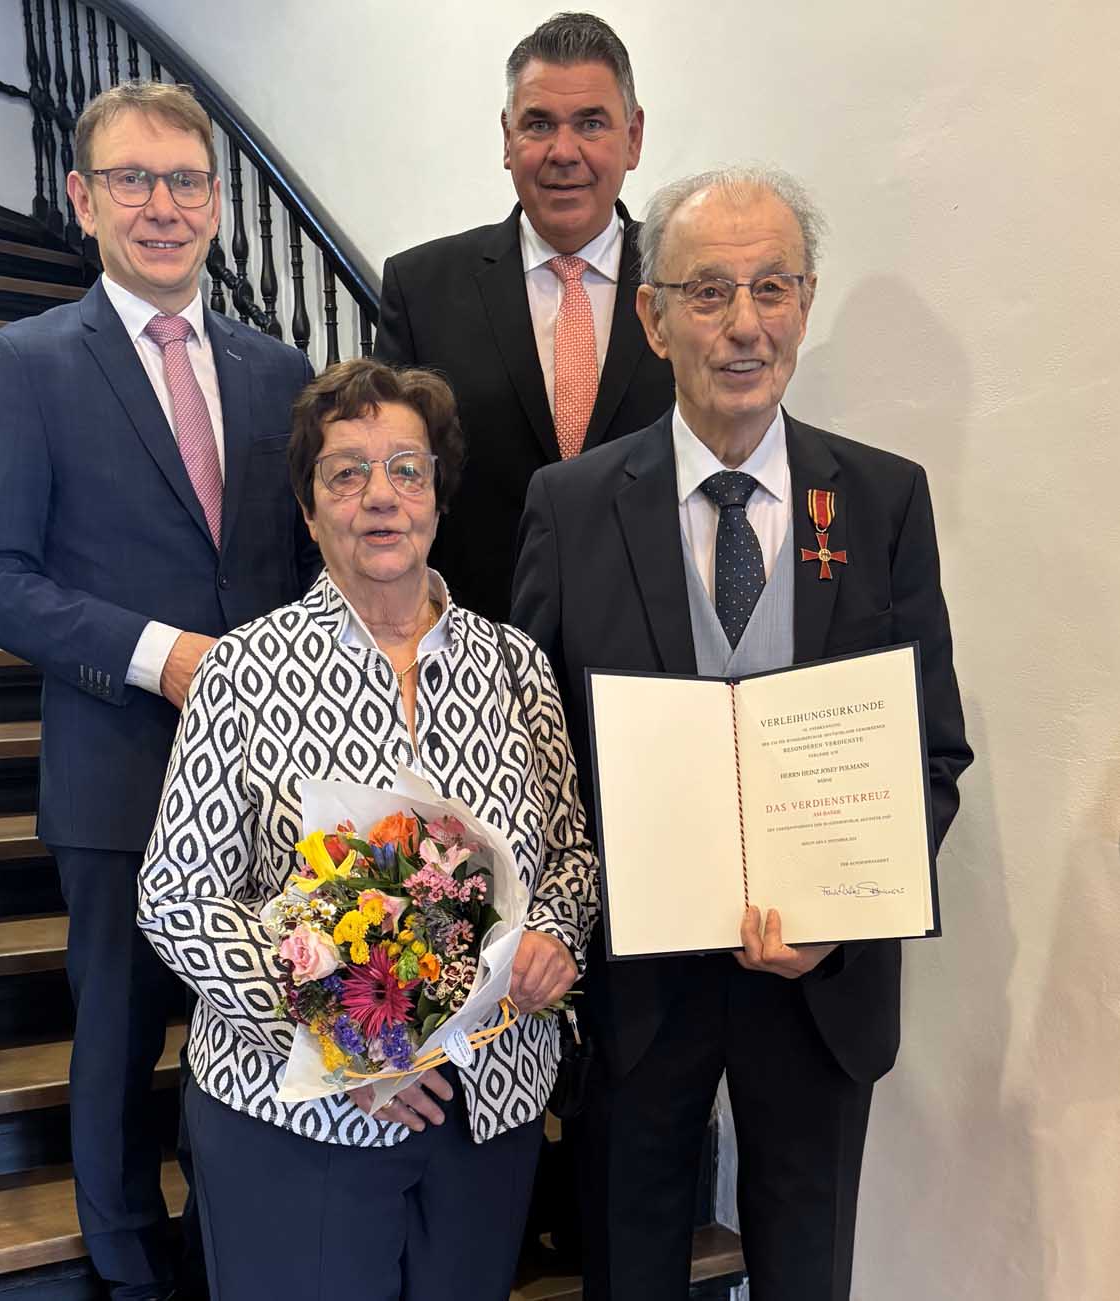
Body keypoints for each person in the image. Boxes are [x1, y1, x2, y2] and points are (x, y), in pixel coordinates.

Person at [511, 167, 973, 1300]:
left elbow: (931, 752)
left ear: (805, 302)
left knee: (806, 1274)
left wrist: (843, 909)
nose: (743, 324)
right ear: (651, 314)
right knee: (627, 1269)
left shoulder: (880, 500)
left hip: (817, 982)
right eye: (707, 291)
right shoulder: (568, 506)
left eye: (772, 286)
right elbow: (530, 753)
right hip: (631, 981)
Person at [0, 81, 317, 1301]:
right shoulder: (32, 360)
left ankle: (235, 1240)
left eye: (184, 182)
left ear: (215, 203)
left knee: (262, 1009)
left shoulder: (278, 372)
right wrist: (161, 651)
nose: (161, 206)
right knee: (117, 1036)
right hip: (117, 771)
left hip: (271, 774)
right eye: (132, 181)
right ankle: (123, 1262)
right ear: (83, 197)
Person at [138, 358, 599, 1301]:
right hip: (298, 1118)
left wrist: (557, 928)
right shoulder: (245, 670)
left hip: (486, 1104)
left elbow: (573, 855)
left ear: (436, 496)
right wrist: (340, 1048)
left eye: (405, 469)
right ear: (310, 512)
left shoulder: (517, 667)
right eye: (345, 473)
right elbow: (174, 895)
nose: (379, 496)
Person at [374, 11, 674, 622]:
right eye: (539, 124)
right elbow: (395, 478)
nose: (564, 152)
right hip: (474, 659)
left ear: (634, 137)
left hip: (656, 657)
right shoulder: (422, 287)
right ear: (507, 139)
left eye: (592, 123)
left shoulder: (691, 285)